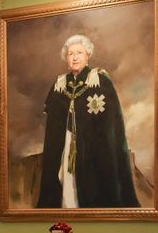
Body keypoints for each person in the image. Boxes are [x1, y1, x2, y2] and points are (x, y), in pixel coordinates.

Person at [37, 34, 138, 208]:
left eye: (79, 53)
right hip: (66, 144)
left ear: (87, 56)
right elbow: (53, 122)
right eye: (70, 54)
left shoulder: (99, 80)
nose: (74, 57)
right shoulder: (59, 85)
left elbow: (111, 122)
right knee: (66, 181)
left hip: (94, 147)